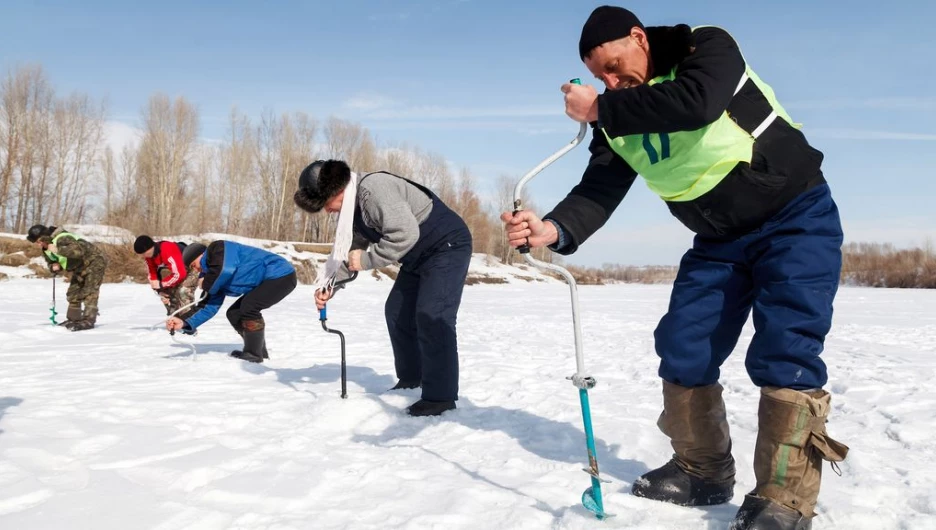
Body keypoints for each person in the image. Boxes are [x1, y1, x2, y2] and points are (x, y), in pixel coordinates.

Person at [501, 7, 849, 529]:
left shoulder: (703, 47)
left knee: (787, 351)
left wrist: (601, 106)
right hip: (717, 240)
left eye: (616, 67)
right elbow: (599, 188)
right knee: (684, 346)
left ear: (640, 39)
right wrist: (553, 229)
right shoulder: (617, 117)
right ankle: (702, 470)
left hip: (794, 217)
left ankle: (784, 498)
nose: (613, 82)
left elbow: (699, 102)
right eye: (602, 78)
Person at [294, 159, 472, 417]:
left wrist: (367, 261)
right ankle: (411, 380)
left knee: (432, 314)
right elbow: (350, 253)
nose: (327, 212)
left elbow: (404, 234)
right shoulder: (354, 210)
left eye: (325, 205)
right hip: (417, 256)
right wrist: (331, 284)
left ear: (336, 191)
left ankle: (440, 398)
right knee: (397, 311)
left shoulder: (374, 189)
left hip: (446, 246)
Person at [166, 240, 296, 363]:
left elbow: (225, 270)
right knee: (235, 313)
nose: (196, 270)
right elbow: (208, 306)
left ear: (201, 255)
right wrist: (184, 322)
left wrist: (206, 283)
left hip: (281, 274)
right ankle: (258, 352)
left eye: (194, 265)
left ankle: (253, 354)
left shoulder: (217, 249)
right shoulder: (211, 276)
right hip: (267, 281)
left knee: (249, 307)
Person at [27, 224, 108, 331]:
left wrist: (57, 250)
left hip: (94, 262)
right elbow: (52, 261)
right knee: (73, 292)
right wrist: (54, 265)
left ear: (44, 237)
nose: (39, 244)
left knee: (89, 291)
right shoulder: (46, 247)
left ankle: (88, 320)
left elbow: (78, 252)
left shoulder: (62, 238)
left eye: (39, 241)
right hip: (79, 266)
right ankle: (74, 319)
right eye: (36, 243)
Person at [134, 236, 203, 319]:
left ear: (150, 247)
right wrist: (159, 291)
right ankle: (174, 318)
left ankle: (189, 321)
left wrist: (161, 284)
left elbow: (180, 274)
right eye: (142, 255)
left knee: (183, 291)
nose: (144, 256)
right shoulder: (149, 257)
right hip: (180, 269)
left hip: (195, 266)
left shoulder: (167, 248)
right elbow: (153, 276)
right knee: (166, 293)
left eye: (144, 253)